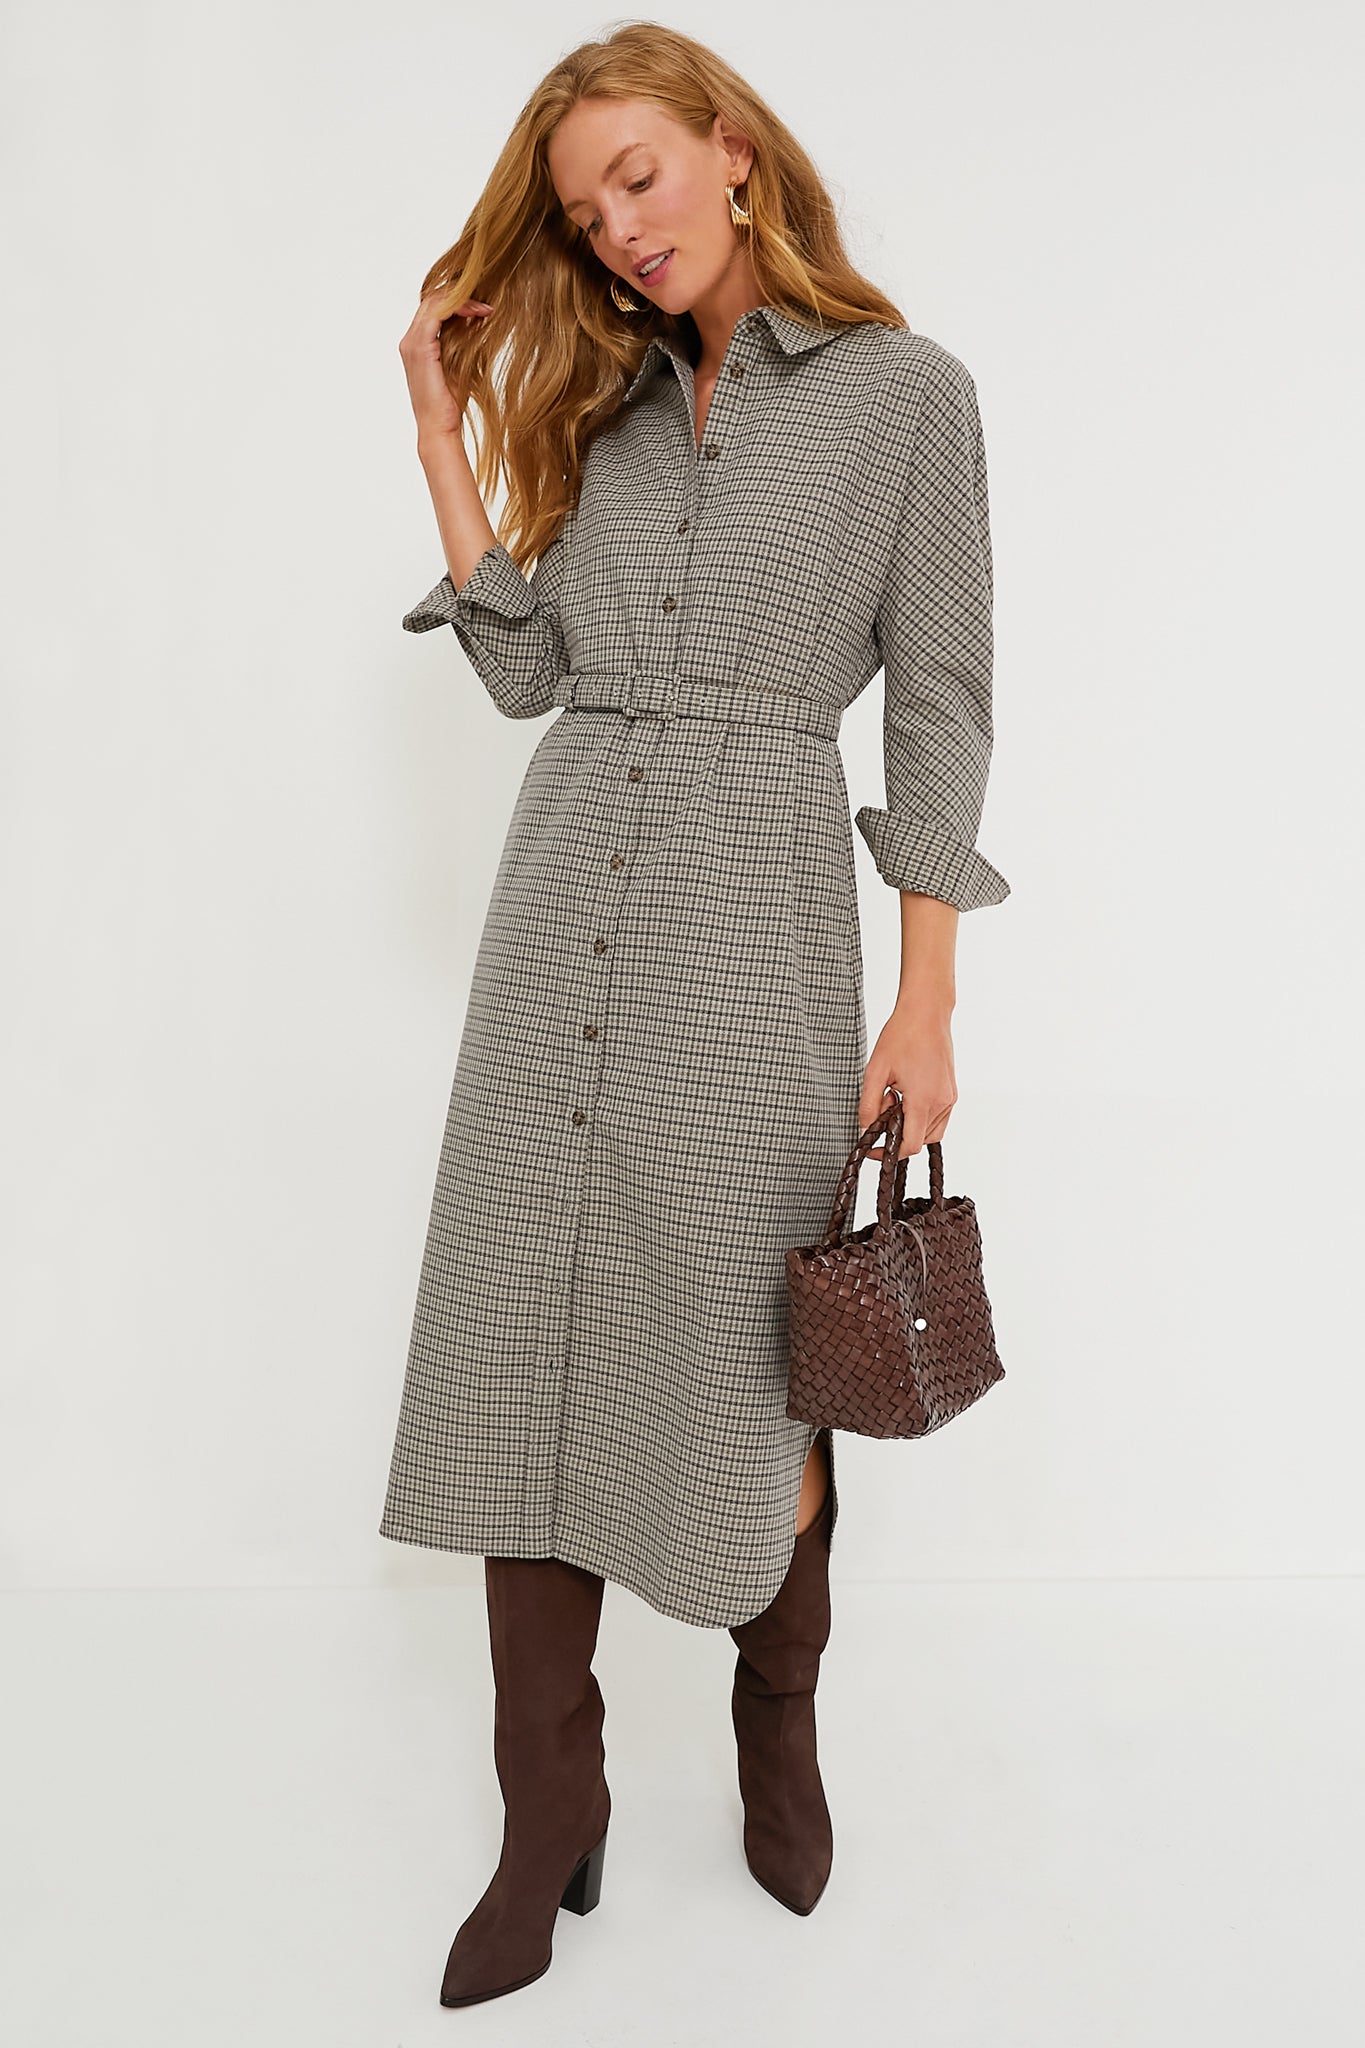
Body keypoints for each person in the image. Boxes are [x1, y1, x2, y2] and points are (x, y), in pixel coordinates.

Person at [378, 21, 1010, 2009]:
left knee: (751, 1344)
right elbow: (524, 675)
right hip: (561, 905)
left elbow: (938, 700)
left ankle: (776, 1706)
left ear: (731, 148)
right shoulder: (606, 411)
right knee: (526, 1325)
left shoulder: (905, 396)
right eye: (584, 214)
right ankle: (544, 1805)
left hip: (755, 924)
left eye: (637, 177)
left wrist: (926, 994)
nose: (619, 230)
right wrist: (442, 431)